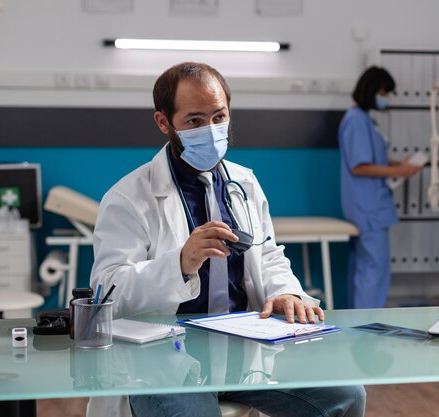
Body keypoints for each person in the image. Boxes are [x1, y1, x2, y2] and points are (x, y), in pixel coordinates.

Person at [89, 62, 365, 417]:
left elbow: (267, 254)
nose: (211, 130)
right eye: (194, 121)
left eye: (219, 117)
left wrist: (286, 291)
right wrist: (179, 264)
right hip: (164, 359)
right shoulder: (129, 197)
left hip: (243, 351)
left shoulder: (244, 183)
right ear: (163, 122)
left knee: (345, 394)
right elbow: (106, 290)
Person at [339, 66, 422, 309]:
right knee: (372, 272)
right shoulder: (356, 121)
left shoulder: (364, 120)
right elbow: (360, 166)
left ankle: (361, 326)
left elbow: (371, 159)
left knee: (366, 270)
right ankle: (367, 328)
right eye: (384, 92)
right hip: (368, 210)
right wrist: (400, 171)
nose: (385, 98)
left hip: (369, 207)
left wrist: (397, 164)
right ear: (372, 90)